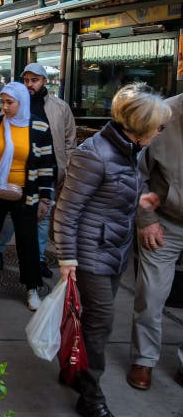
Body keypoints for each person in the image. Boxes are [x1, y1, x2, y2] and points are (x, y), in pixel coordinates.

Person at [54, 83, 170, 417]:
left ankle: (73, 370)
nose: (160, 132)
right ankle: (91, 396)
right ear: (141, 126)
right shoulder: (95, 153)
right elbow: (68, 210)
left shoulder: (131, 150)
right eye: (158, 126)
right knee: (100, 323)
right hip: (90, 252)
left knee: (91, 320)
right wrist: (67, 258)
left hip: (115, 249)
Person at [0, 82, 56, 310]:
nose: (4, 107)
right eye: (2, 102)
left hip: (26, 194)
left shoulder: (39, 128)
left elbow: (47, 165)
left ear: (21, 102)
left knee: (27, 241)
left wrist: (45, 198)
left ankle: (32, 287)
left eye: (9, 102)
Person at [0, 62, 77, 276]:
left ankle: (38, 259)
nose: (30, 84)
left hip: (49, 169)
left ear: (44, 82)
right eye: (27, 80)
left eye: (35, 80)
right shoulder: (16, 104)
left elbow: (70, 141)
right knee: (12, 215)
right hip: (20, 170)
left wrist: (65, 167)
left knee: (43, 214)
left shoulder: (60, 108)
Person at [127, 92, 183, 391]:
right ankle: (144, 360)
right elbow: (137, 173)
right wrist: (146, 220)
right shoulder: (163, 114)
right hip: (164, 222)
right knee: (150, 296)